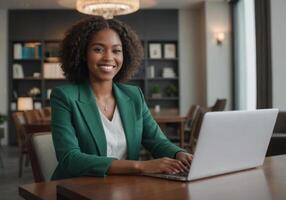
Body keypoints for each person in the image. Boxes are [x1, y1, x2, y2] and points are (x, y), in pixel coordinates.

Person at [50, 16, 192, 180]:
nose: (108, 58)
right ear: (83, 54)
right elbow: (70, 159)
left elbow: (157, 141)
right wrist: (141, 166)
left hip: (124, 187)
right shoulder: (64, 97)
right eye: (98, 49)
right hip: (78, 187)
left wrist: (179, 154)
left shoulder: (134, 95)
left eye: (116, 50)